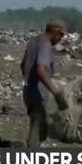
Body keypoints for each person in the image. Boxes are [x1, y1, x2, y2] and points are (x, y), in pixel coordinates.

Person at [20, 20, 68, 148]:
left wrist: (28, 82)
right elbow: (40, 71)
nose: (61, 38)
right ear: (55, 32)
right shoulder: (45, 45)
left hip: (28, 91)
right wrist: (56, 92)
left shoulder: (33, 41)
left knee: (40, 124)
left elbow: (23, 65)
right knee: (36, 127)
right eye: (61, 35)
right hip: (38, 93)